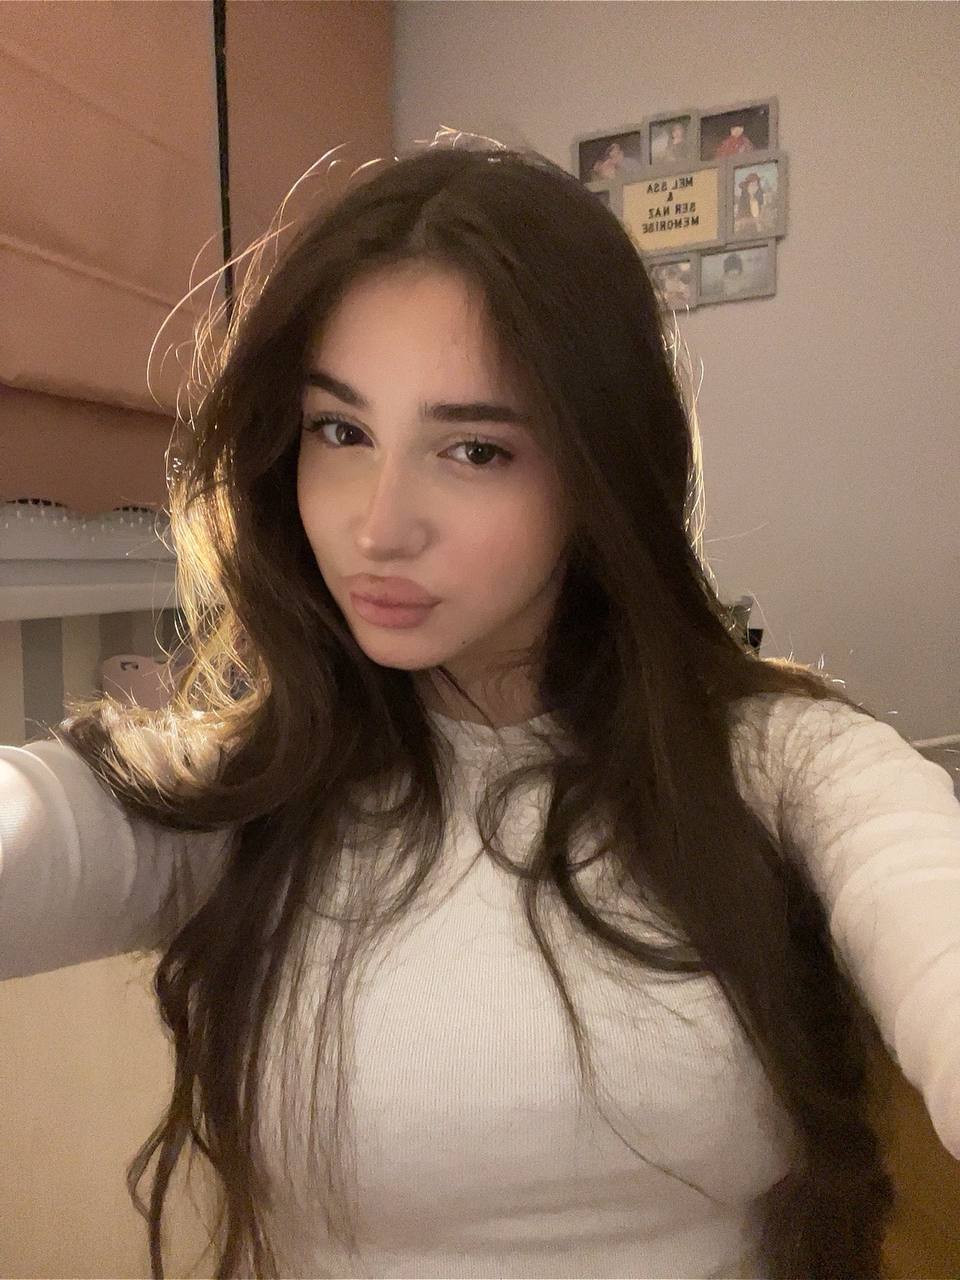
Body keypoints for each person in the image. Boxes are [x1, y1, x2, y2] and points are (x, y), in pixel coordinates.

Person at [1, 136, 958, 1280]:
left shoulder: (784, 767)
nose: (377, 524)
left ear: (599, 472)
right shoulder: (240, 796)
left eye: (473, 449)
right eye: (341, 431)